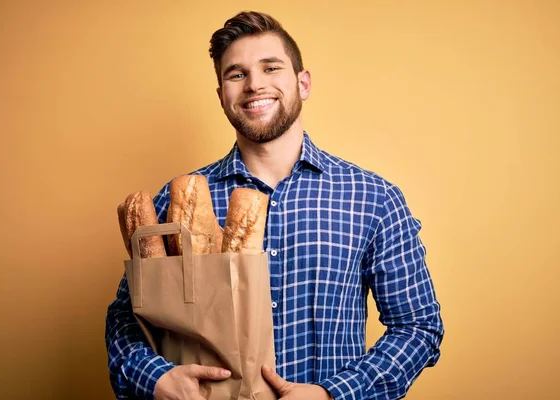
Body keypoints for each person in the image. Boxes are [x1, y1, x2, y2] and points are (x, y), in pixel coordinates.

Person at [105, 10, 444, 400]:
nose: (254, 85)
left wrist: (333, 395)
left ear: (303, 83)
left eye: (270, 68)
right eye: (237, 74)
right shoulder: (177, 200)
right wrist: (156, 378)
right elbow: (124, 318)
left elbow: (418, 326)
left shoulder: (373, 198)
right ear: (222, 96)